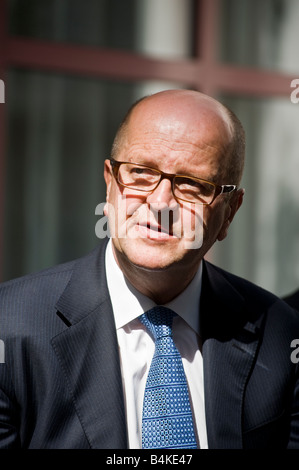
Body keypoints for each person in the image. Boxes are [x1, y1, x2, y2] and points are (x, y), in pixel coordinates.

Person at [0, 89, 299, 450]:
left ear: (230, 211)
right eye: (141, 172)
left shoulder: (281, 340)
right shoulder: (11, 329)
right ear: (110, 183)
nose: (161, 203)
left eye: (192, 184)